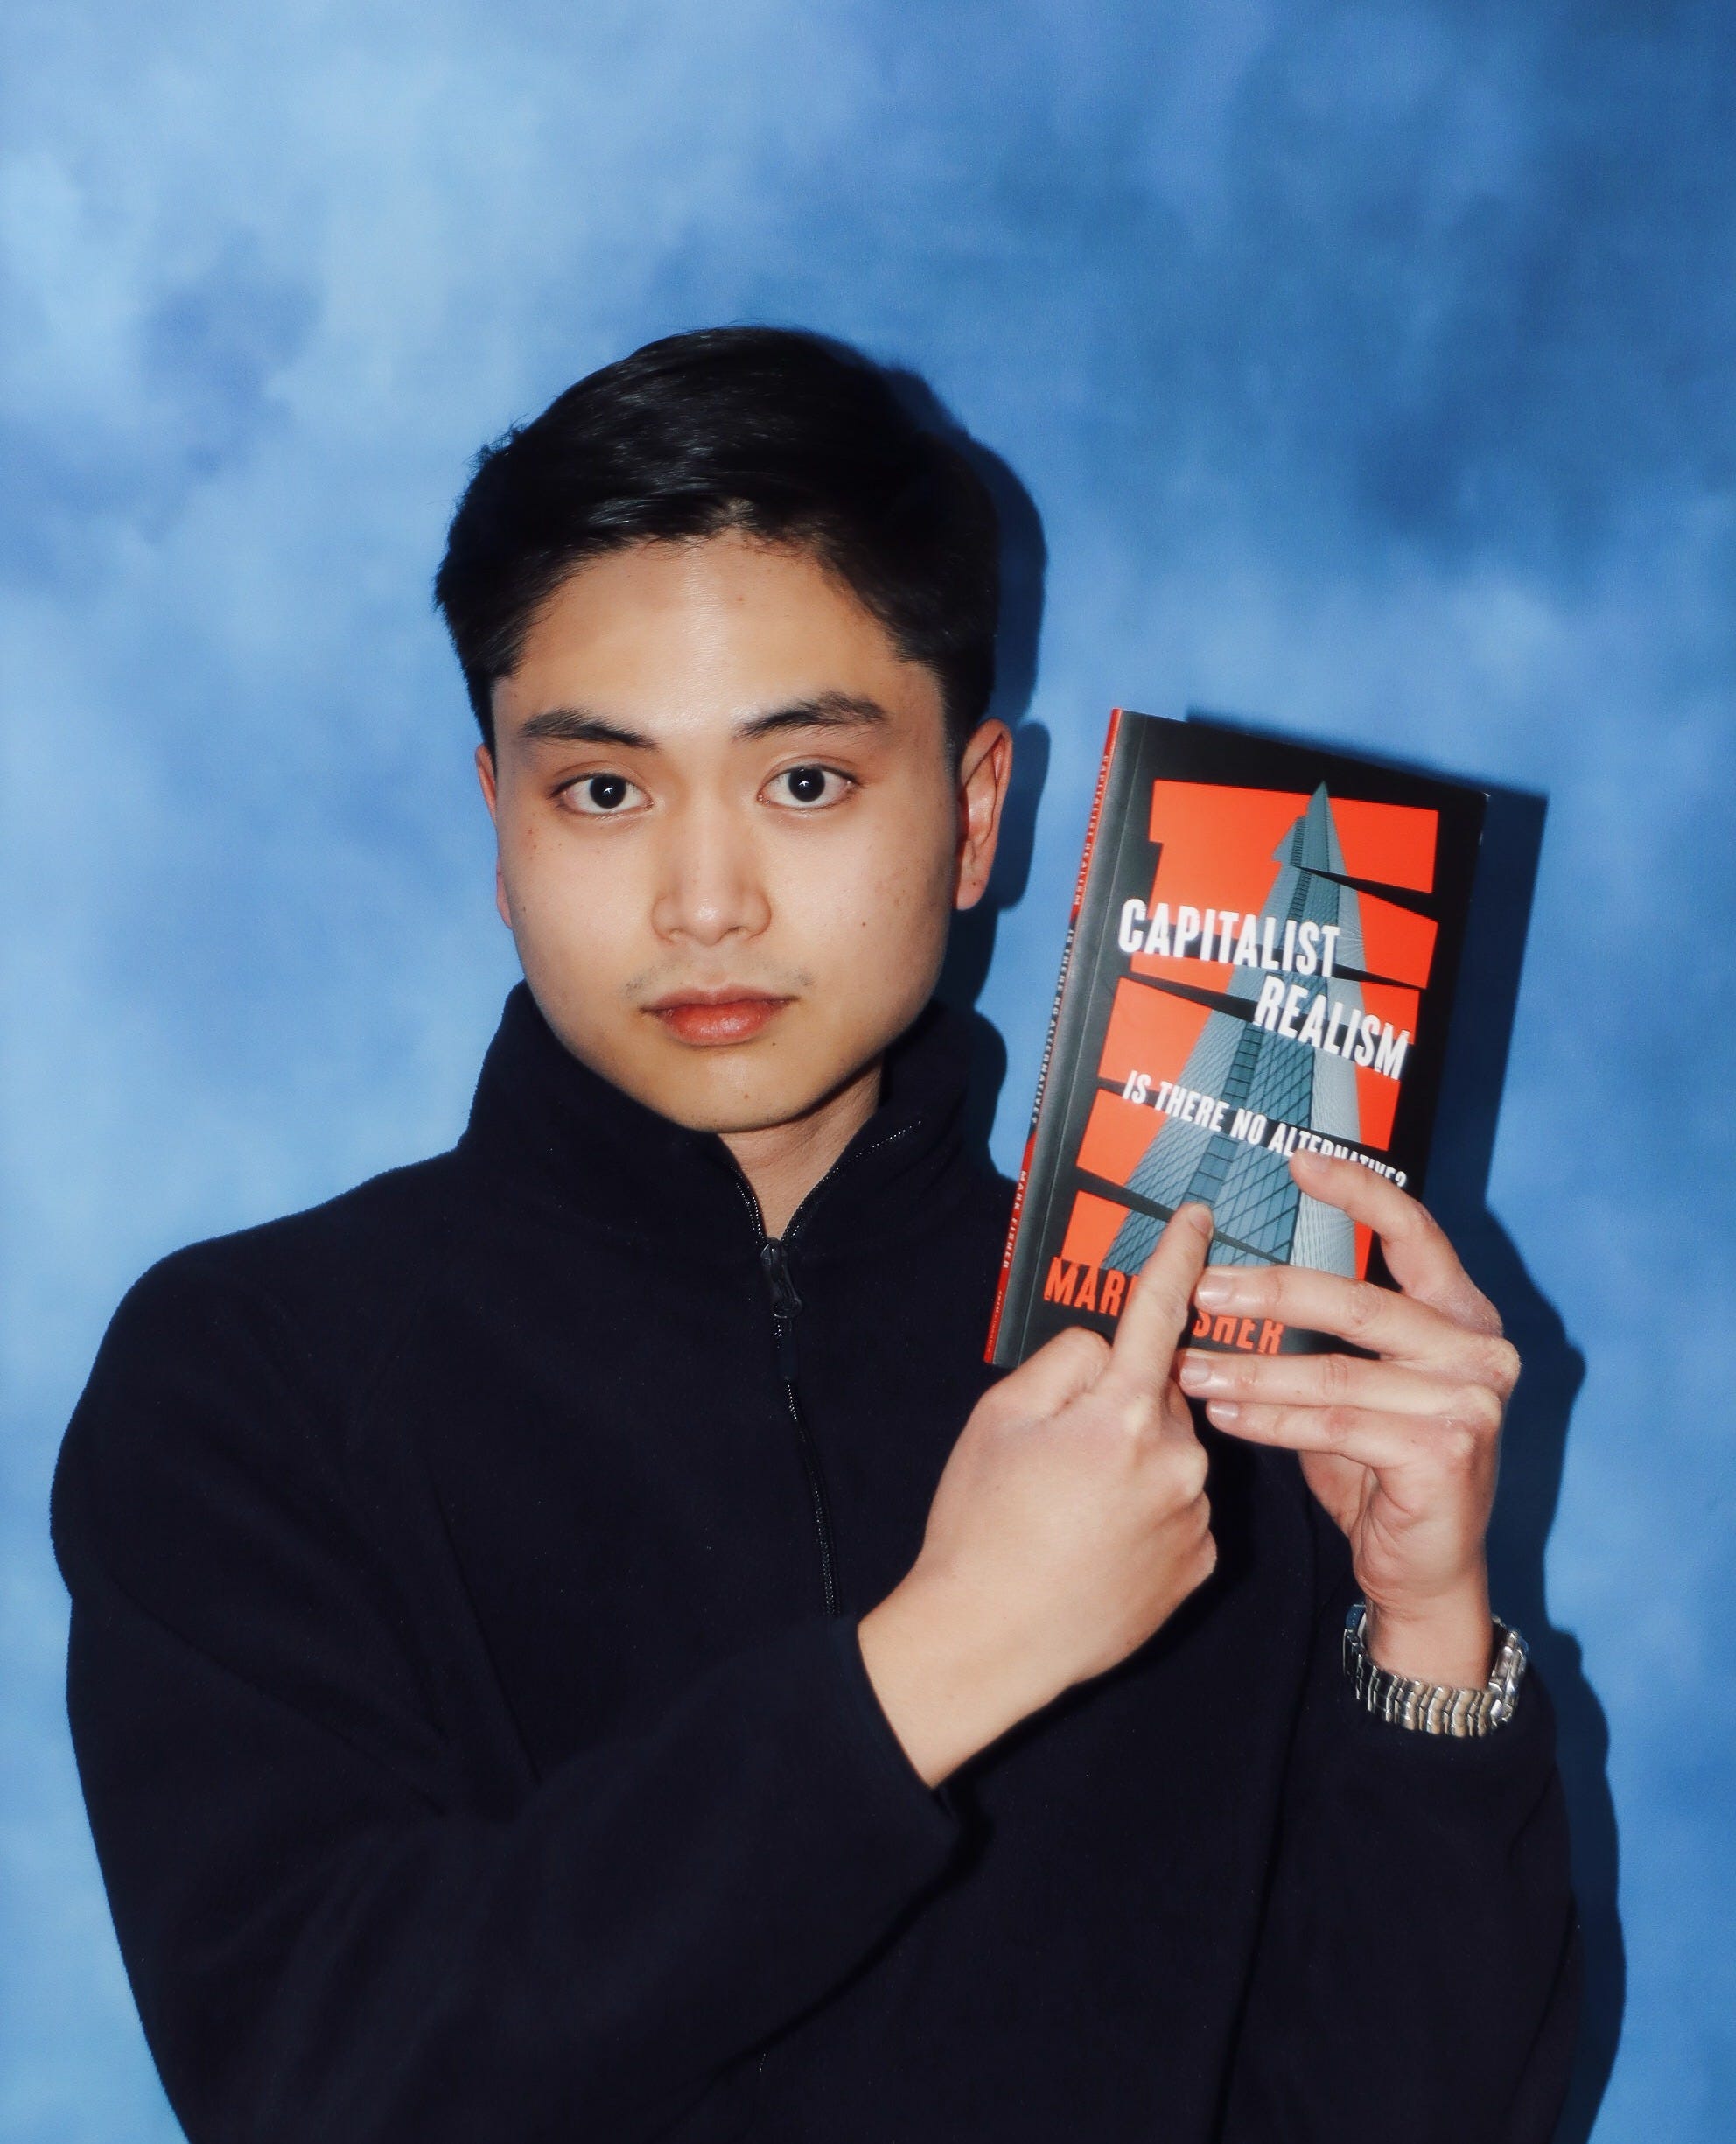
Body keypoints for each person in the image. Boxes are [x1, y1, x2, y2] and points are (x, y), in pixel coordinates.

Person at [52, 326, 1578, 2144]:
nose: (705, 904)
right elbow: (320, 2082)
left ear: (976, 815)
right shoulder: (251, 1371)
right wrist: (945, 1653)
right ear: (499, 824)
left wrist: (1424, 1645)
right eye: (603, 789)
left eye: (804, 782)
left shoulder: (1200, 1354)